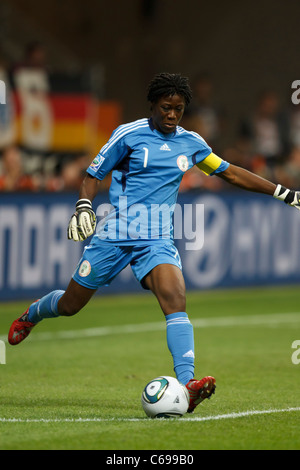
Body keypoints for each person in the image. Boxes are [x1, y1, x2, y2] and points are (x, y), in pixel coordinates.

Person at [8, 73, 300, 414]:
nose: (172, 115)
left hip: (157, 239)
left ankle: (188, 385)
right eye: (166, 107)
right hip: (115, 236)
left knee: (175, 299)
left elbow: (229, 172)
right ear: (153, 105)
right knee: (72, 304)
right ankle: (33, 313)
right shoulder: (128, 135)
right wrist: (84, 205)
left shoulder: (192, 144)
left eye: (178, 109)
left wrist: (282, 192)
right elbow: (92, 175)